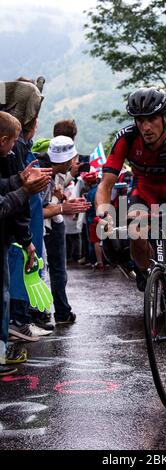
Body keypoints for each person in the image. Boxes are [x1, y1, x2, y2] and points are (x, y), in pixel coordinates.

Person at [95, 87, 166, 365]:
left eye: (151, 119)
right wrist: (103, 211)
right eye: (139, 120)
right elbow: (106, 184)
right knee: (135, 231)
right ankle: (148, 274)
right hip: (144, 193)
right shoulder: (126, 138)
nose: (145, 126)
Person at [0, 111, 52, 375]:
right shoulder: (8, 157)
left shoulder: (8, 158)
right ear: (3, 140)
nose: (15, 149)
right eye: (14, 142)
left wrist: (18, 181)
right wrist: (24, 190)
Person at [41, 136, 91, 324]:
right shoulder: (44, 176)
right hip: (47, 226)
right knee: (51, 271)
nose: (74, 162)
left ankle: (48, 312)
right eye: (73, 159)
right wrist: (64, 208)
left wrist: (66, 203)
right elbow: (36, 209)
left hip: (50, 224)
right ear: (68, 160)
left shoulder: (52, 173)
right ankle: (46, 313)